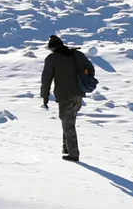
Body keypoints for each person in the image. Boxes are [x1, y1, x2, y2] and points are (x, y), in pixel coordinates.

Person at [40, 34, 95, 162]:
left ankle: (73, 154)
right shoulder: (77, 55)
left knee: (68, 124)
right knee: (69, 121)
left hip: (64, 95)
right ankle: (67, 148)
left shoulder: (52, 59)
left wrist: (45, 96)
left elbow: (46, 79)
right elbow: (90, 69)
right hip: (79, 94)